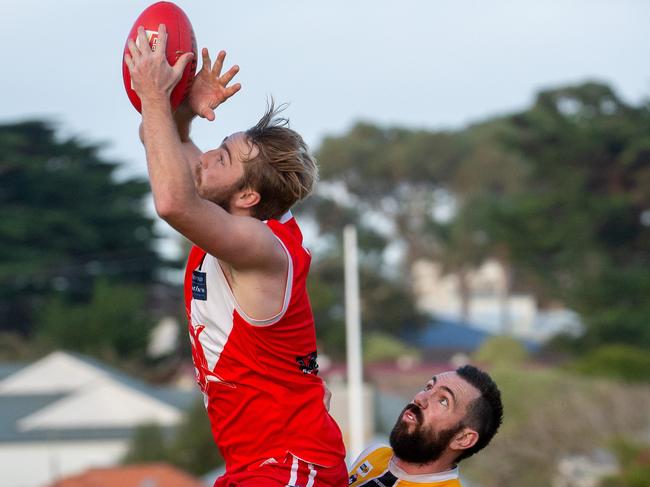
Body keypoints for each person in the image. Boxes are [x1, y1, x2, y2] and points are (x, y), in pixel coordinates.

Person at [124, 25, 346, 487]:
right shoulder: (226, 212)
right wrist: (181, 105)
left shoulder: (259, 247)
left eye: (222, 157)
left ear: (247, 196)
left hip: (290, 465)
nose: (205, 158)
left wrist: (153, 90)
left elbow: (171, 201)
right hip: (255, 466)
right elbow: (157, 138)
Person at [348, 365, 503, 487]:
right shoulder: (375, 453)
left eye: (443, 400)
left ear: (462, 438)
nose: (419, 398)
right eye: (428, 387)